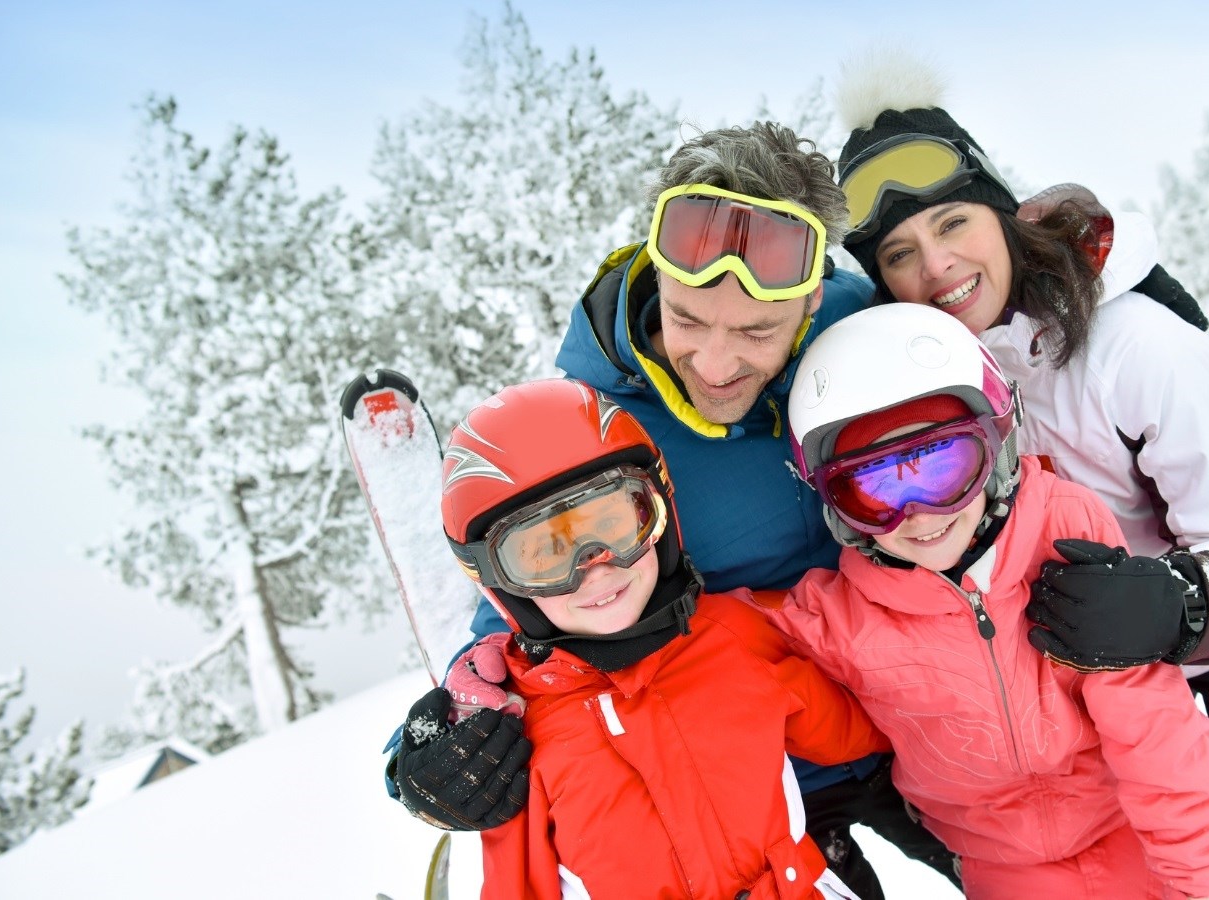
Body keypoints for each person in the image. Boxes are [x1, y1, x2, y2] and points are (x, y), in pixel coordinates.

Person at [386, 122, 962, 896]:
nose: (718, 366)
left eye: (758, 332)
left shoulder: (859, 331)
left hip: (920, 731)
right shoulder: (600, 436)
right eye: (688, 320)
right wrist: (433, 749)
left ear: (810, 301)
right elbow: (534, 603)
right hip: (759, 786)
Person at [829, 57, 1209, 900]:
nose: (936, 267)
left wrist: (1172, 602)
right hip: (1098, 665)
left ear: (1001, 214)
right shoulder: (937, 381)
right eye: (900, 252)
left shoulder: (1135, 347)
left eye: (955, 222)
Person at [755, 301, 1209, 899]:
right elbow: (725, 645)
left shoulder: (1064, 539)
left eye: (942, 466)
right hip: (1003, 869)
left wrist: (1195, 881)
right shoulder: (842, 617)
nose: (919, 515)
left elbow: (1155, 730)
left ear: (996, 449)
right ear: (836, 507)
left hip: (1134, 838)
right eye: (875, 486)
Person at [420, 376, 889, 899]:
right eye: (545, 554)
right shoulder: (516, 734)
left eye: (616, 524)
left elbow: (858, 725)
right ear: (499, 581)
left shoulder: (733, 636)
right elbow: (514, 884)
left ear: (658, 512)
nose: (595, 568)